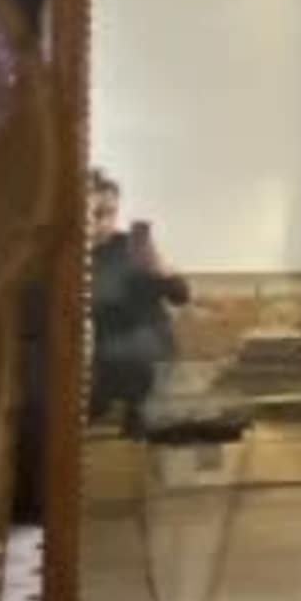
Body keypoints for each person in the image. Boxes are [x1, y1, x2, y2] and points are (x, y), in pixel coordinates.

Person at [86, 171, 187, 430]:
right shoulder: (71, 258)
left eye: (112, 213)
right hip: (103, 374)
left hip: (154, 370)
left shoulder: (131, 247)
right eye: (98, 213)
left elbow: (181, 297)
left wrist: (162, 269)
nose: (106, 223)